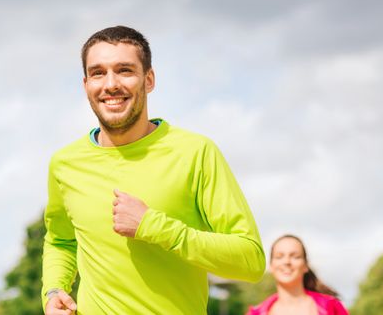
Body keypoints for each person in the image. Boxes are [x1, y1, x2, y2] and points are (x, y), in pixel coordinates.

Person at [42, 25, 266, 315]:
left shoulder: (195, 153)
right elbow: (60, 240)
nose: (110, 84)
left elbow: (250, 261)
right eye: (98, 73)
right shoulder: (65, 164)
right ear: (86, 84)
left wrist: (156, 227)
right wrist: (54, 289)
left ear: (149, 80)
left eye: (124, 70)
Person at [247, 235, 349, 315]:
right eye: (279, 257)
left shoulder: (331, 306)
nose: (287, 261)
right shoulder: (256, 313)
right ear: (271, 266)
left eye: (295, 256)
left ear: (305, 265)